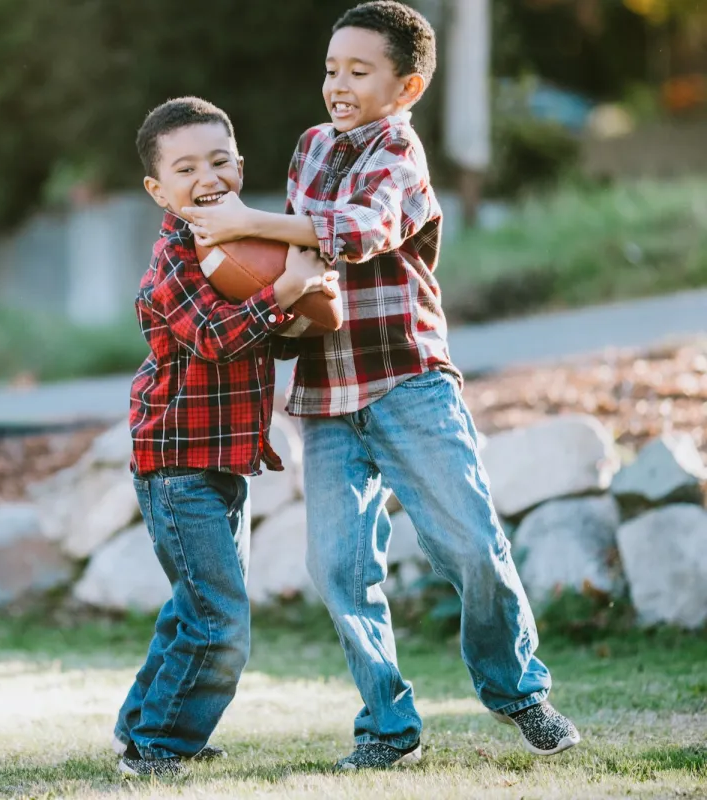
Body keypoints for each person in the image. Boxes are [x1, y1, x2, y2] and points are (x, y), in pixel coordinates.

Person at [184, 1, 580, 771]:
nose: (338, 84)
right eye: (332, 68)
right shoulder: (307, 148)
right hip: (326, 397)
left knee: (471, 547)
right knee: (338, 569)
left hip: (407, 383)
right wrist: (281, 306)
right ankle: (388, 725)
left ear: (407, 87)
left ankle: (517, 691)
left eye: (359, 72)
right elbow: (305, 267)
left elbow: (357, 233)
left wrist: (246, 220)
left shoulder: (399, 151)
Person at [114, 96, 338, 778]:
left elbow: (270, 338)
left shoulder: (245, 247)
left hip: (224, 463)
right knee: (221, 623)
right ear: (159, 189)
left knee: (195, 606)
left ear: (240, 166)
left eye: (219, 160)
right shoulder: (172, 267)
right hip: (176, 467)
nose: (206, 176)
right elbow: (215, 338)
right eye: (185, 168)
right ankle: (160, 746)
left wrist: (301, 304)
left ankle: (141, 728)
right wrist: (285, 292)